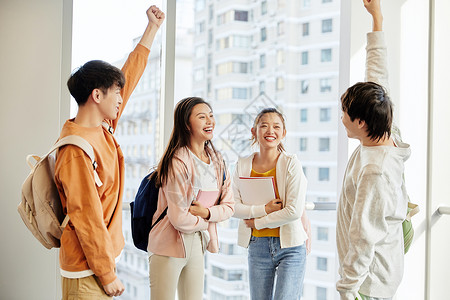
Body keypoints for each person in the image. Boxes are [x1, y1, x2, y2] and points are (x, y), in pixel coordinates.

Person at [54, 5, 165, 299]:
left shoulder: (103, 126)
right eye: (115, 92)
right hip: (87, 271)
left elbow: (129, 76)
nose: (121, 98)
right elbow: (86, 216)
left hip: (99, 264)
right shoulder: (77, 149)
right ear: (97, 95)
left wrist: (151, 29)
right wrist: (107, 274)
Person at [336, 1, 411, 299]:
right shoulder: (385, 127)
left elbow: (363, 239)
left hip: (369, 285)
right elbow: (378, 73)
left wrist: (347, 289)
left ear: (362, 122)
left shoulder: (375, 170)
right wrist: (377, 18)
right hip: (380, 266)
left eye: (345, 114)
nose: (342, 118)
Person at [147, 97, 235, 300]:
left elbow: (229, 206)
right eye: (202, 117)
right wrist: (207, 222)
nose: (209, 121)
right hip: (167, 244)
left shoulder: (218, 161)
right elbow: (178, 218)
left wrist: (206, 213)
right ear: (187, 124)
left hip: (197, 242)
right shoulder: (177, 161)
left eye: (211, 116)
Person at [232, 107, 310, 300]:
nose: (270, 131)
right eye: (264, 126)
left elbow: (293, 211)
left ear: (283, 133)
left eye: (276, 127)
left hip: (290, 248)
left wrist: (257, 221)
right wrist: (264, 209)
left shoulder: (291, 163)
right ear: (254, 131)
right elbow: (233, 206)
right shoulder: (242, 165)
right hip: (257, 246)